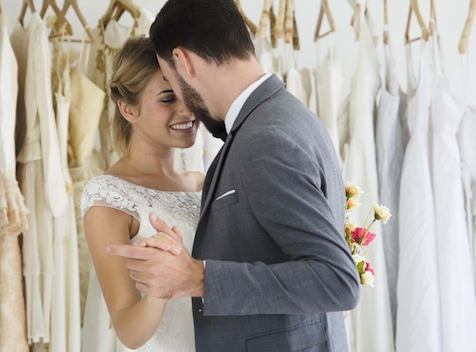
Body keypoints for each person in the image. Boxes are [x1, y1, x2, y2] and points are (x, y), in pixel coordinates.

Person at [106, 0, 361, 351]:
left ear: (183, 62)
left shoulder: (264, 139)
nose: (183, 103)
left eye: (171, 84)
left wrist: (198, 278)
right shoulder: (286, 115)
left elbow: (338, 282)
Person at [80, 36, 203, 351]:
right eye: (167, 98)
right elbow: (128, 331)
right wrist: (160, 292)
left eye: (189, 94)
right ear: (127, 109)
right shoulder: (108, 196)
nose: (186, 108)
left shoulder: (204, 183)